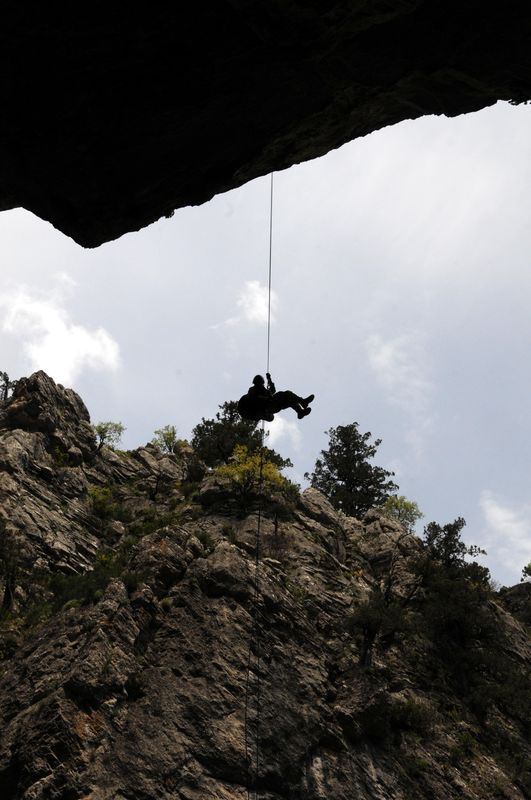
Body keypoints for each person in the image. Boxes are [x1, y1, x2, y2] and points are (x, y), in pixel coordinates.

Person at [238, 373, 314, 422]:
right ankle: (302, 402)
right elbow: (254, 399)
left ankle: (300, 412)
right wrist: (266, 398)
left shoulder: (262, 390)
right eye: (261, 384)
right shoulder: (252, 391)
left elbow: (272, 390)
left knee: (289, 399)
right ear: (257, 383)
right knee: (286, 394)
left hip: (271, 407)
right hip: (266, 408)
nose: (262, 386)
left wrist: (269, 379)